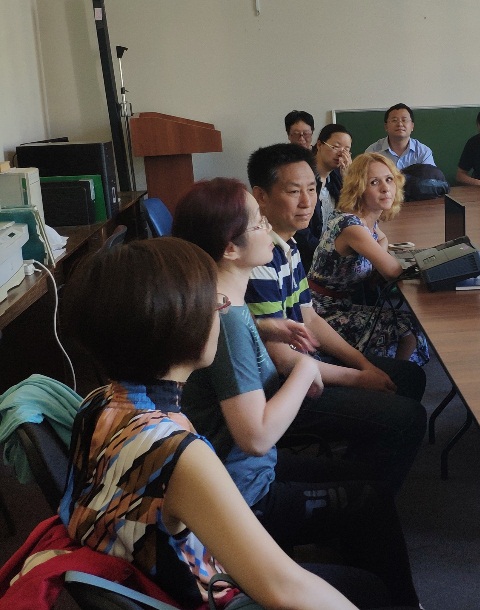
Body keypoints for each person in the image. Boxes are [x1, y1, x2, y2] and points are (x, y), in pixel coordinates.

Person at [58, 237, 398, 609]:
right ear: (177, 327)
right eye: (214, 303)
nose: (222, 311)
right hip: (208, 592)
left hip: (151, 573)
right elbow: (285, 587)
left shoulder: (99, 402)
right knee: (369, 590)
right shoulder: (178, 453)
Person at [173, 179, 420, 606]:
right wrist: (305, 370)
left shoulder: (221, 301)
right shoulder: (227, 320)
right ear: (230, 248)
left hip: (245, 474)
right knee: (372, 502)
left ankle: (353, 569)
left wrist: (265, 327)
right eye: (258, 223)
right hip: (246, 495)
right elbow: (254, 437)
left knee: (367, 486)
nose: (268, 228)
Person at [243, 143, 427, 494]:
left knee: (410, 376)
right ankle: (364, 499)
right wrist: (359, 378)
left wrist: (362, 365)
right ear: (261, 196)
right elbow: (282, 360)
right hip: (280, 389)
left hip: (306, 364)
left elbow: (310, 318)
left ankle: (358, 473)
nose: (307, 202)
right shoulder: (261, 259)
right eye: (293, 191)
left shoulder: (288, 247)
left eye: (312, 189)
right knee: (408, 417)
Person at [309, 152, 429, 365]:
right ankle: (394, 377)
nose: (385, 188)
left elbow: (381, 238)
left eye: (389, 179)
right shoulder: (351, 226)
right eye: (374, 182)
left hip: (340, 303)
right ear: (359, 188)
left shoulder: (366, 219)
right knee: (408, 328)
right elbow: (393, 272)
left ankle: (389, 370)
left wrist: (376, 258)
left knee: (407, 322)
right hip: (323, 313)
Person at [297, 123, 354, 269]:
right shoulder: (304, 179)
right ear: (319, 145)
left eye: (346, 150)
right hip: (310, 259)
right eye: (336, 147)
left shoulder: (337, 177)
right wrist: (326, 254)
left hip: (335, 253)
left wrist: (348, 181)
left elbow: (351, 215)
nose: (341, 154)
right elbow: (301, 232)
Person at [364, 103, 434, 169]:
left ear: (412, 126)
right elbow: (364, 176)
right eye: (394, 120)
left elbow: (430, 177)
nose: (400, 124)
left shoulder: (423, 152)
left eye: (404, 120)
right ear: (386, 126)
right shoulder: (373, 152)